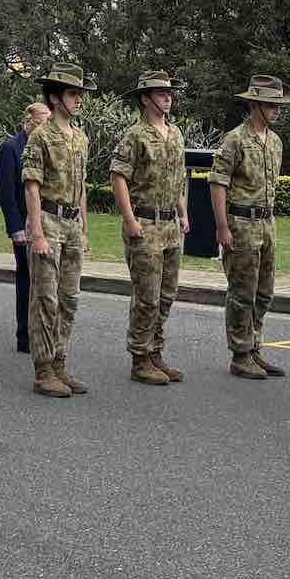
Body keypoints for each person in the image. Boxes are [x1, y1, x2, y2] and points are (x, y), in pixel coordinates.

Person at [211, 75, 290, 382]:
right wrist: (222, 227)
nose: (277, 109)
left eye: (278, 104)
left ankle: (254, 345)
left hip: (266, 223)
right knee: (242, 292)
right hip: (241, 223)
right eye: (271, 104)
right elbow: (218, 184)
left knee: (265, 292)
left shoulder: (275, 141)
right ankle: (240, 353)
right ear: (255, 104)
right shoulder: (235, 139)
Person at [111, 70, 189, 387]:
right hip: (145, 222)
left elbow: (179, 179)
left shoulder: (176, 133)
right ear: (145, 98)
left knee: (166, 295)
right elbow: (119, 178)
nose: (167, 97)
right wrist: (130, 220)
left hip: (170, 223)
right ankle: (140, 358)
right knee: (147, 296)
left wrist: (183, 213)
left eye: (168, 93)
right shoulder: (136, 136)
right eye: (160, 93)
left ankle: (156, 353)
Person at [22, 62, 93, 399]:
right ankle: (43, 370)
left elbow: (80, 188)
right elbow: (32, 185)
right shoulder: (41, 136)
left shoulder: (80, 138)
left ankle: (60, 362)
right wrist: (36, 232)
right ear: (54, 97)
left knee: (69, 298)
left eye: (80, 93)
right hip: (48, 221)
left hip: (72, 224)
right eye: (72, 93)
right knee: (45, 299)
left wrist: (85, 229)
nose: (79, 99)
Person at [0, 103, 50, 354]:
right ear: (28, 119)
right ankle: (24, 335)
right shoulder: (11, 147)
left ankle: (43, 332)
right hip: (24, 225)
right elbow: (7, 192)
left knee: (45, 283)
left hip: (47, 224)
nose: (46, 125)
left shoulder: (47, 144)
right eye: (42, 120)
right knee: (27, 280)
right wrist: (15, 228)